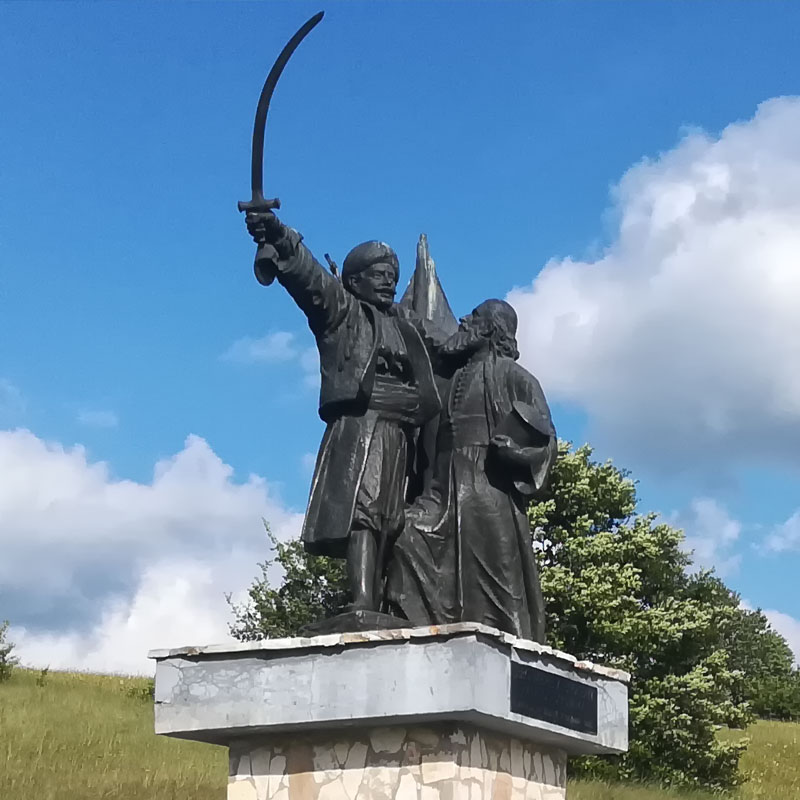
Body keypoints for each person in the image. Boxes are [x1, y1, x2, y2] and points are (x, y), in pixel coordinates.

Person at [244, 211, 440, 614]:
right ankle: (363, 599)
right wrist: (280, 236)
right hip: (363, 429)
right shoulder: (343, 313)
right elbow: (309, 278)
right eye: (378, 274)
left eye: (392, 275)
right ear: (353, 281)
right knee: (364, 511)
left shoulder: (406, 325)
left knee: (391, 517)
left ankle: (386, 599)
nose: (389, 282)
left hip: (401, 433)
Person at [387, 299, 557, 641]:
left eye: (475, 316)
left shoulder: (516, 377)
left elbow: (547, 439)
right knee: (405, 532)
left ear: (492, 328)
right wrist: (392, 310)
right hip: (441, 487)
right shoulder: (448, 378)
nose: (465, 319)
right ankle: (424, 633)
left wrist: (517, 454)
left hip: (487, 486)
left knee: (501, 580)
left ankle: (512, 649)